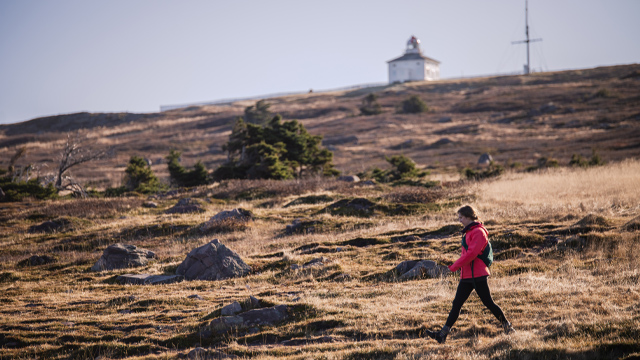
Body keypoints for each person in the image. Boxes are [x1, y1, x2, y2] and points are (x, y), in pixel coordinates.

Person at [425, 205, 514, 344]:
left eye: (461, 217)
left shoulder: (478, 232)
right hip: (467, 275)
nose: (459, 220)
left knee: (488, 303)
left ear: (468, 216)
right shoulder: (469, 231)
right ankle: (442, 335)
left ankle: (508, 327)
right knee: (457, 304)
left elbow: (472, 254)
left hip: (477, 274)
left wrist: (453, 267)